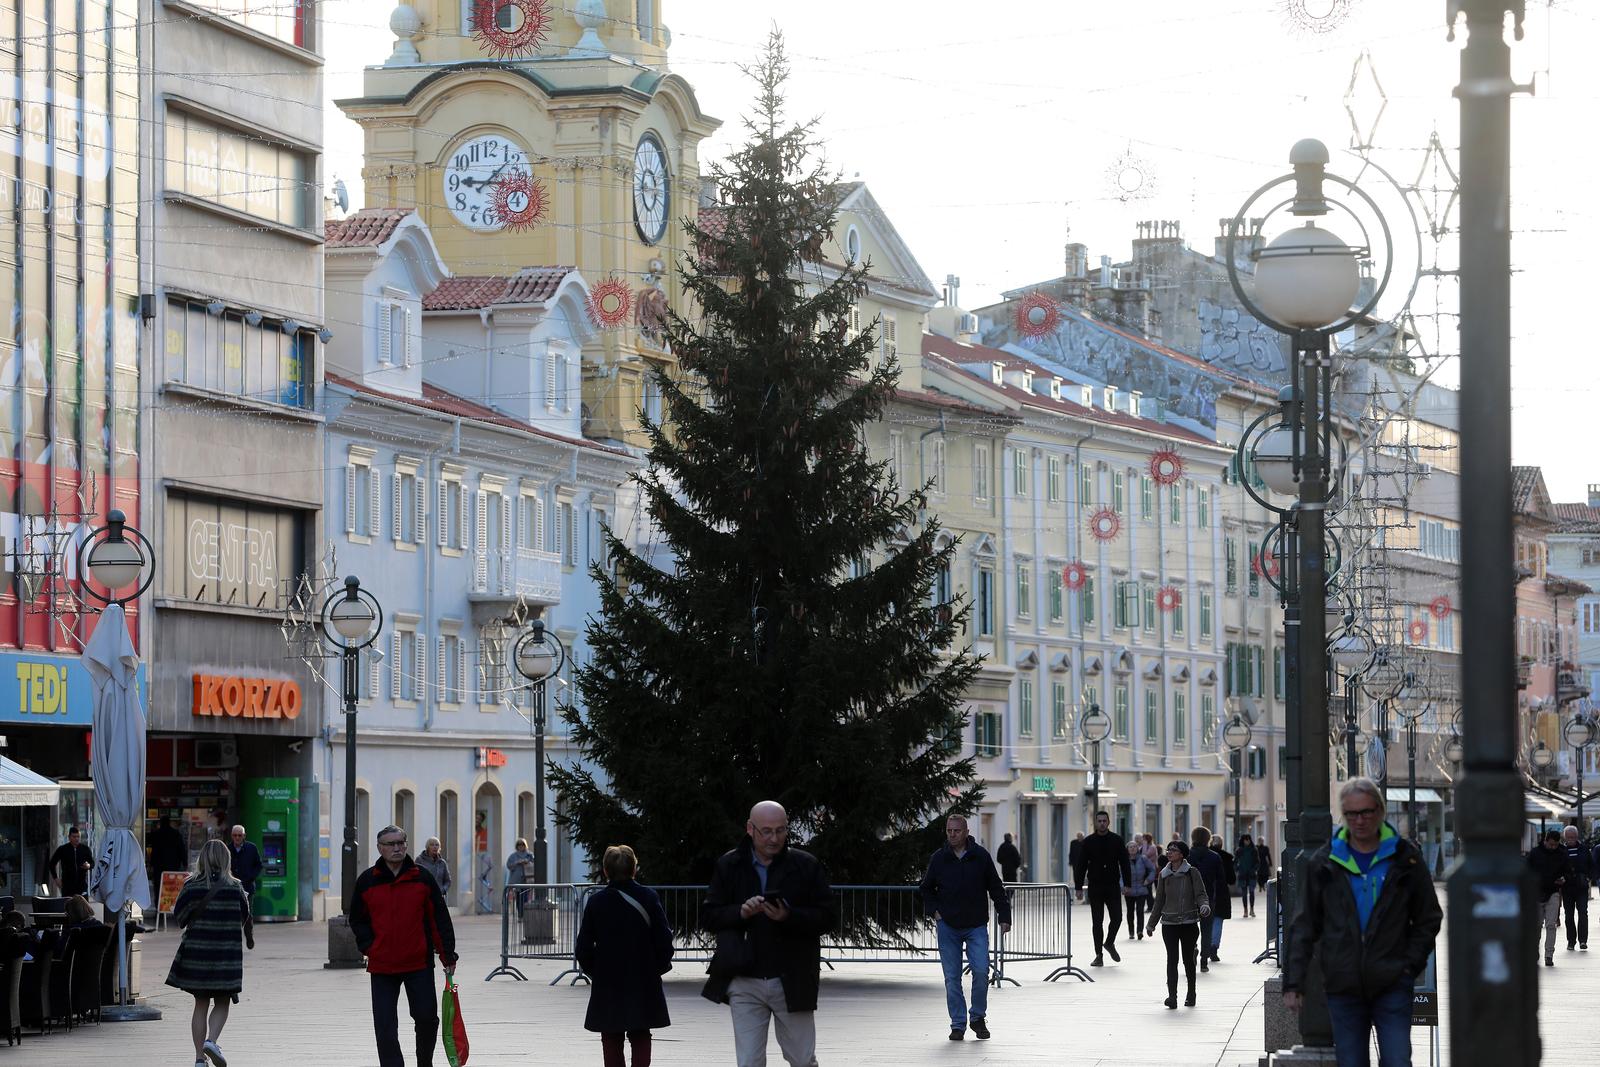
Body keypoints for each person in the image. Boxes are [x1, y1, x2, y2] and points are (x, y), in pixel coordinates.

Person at [1283, 778, 1442, 1067]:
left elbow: (1428, 916)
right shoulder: (1326, 862)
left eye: (1366, 812)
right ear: (1344, 815)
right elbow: (1304, 924)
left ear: (1380, 811)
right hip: (1343, 984)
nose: (1360, 820)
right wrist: (1293, 982)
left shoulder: (1405, 859)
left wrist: (1409, 965)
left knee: (1397, 1061)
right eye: (1352, 814)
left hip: (1392, 981)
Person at [702, 800, 835, 1067]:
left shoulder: (805, 865)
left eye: (780, 830)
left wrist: (789, 916)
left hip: (792, 976)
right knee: (749, 1061)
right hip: (744, 977)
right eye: (766, 831)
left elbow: (829, 917)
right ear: (750, 829)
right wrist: (741, 912)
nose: (774, 838)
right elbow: (709, 916)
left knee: (802, 1059)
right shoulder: (730, 864)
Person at [351, 825, 458, 1067]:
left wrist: (448, 955)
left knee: (427, 1018)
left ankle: (424, 1063)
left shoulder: (422, 878)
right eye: (391, 844)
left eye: (401, 842)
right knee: (385, 1026)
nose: (397, 848)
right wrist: (370, 947)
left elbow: (439, 919)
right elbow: (357, 919)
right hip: (382, 965)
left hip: (418, 963)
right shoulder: (367, 881)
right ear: (380, 848)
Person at [576, 844, 673, 1067]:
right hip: (642, 977)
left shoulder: (596, 902)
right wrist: (654, 968)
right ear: (634, 869)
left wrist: (597, 971)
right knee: (641, 1034)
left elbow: (583, 948)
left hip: (608, 979)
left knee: (611, 1035)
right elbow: (664, 941)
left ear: (605, 871)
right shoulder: (649, 897)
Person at [918, 815, 1011, 1041]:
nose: (952, 835)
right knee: (952, 978)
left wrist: (1004, 915)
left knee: (981, 971)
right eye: (949, 831)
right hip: (948, 925)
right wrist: (935, 912)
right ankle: (957, 1024)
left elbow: (995, 887)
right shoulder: (939, 858)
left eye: (956, 831)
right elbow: (926, 888)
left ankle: (977, 1017)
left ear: (967, 832)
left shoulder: (980, 856)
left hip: (975, 924)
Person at [165, 838, 253, 1067]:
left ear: (202, 859)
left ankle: (199, 1059)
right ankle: (211, 1041)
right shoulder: (236, 888)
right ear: (226, 860)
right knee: (222, 1001)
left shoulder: (191, 886)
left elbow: (180, 918)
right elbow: (244, 917)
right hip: (226, 955)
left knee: (200, 1003)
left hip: (198, 955)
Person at [1146, 840, 1209, 1009]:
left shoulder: (1192, 872)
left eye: (1173, 850)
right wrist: (1151, 924)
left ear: (1182, 854)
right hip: (1169, 923)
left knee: (1188, 960)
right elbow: (1159, 900)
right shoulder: (1164, 874)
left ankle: (1191, 993)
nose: (1169, 852)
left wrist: (1204, 905)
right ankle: (1172, 997)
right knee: (1172, 960)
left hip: (1189, 923)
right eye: (1168, 850)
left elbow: (1201, 894)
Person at [1072, 810, 1132, 967]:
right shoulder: (1088, 841)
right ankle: (1098, 955)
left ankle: (1109, 942)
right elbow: (1081, 865)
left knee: (1117, 918)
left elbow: (1125, 863)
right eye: (1099, 821)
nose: (1102, 824)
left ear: (1109, 822)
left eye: (1104, 821)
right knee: (1097, 922)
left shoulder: (1117, 840)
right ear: (1095, 823)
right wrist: (1078, 887)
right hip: (1095, 886)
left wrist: (1127, 884)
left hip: (1112, 885)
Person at [1527, 827, 1571, 967]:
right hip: (1536, 892)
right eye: (1551, 844)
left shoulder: (1562, 854)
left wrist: (1564, 878)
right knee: (1536, 925)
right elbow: (1526, 871)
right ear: (1545, 841)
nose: (1553, 847)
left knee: (1551, 925)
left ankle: (1549, 955)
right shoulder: (1535, 853)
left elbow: (1568, 871)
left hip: (1553, 892)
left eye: (1555, 845)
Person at [1187, 827, 1224, 970]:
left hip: (1190, 898)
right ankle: (1204, 959)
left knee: (1190, 928)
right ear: (1208, 839)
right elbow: (1221, 880)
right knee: (1207, 929)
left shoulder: (1187, 856)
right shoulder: (1215, 857)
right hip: (1208, 897)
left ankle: (1193, 948)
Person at [1560, 824, 1594, 951]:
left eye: (1573, 837)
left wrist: (1589, 877)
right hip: (1567, 887)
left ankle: (1583, 940)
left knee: (1583, 913)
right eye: (1569, 837)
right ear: (1565, 837)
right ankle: (1571, 941)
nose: (1571, 839)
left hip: (1581, 886)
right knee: (1569, 915)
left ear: (1577, 836)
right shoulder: (1561, 850)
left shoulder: (1584, 849)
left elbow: (1591, 865)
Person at [1207, 834, 1236, 961]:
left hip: (1204, 891)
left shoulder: (1203, 856)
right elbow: (1231, 879)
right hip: (1221, 893)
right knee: (1217, 920)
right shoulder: (1226, 857)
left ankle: (1203, 946)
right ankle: (1213, 947)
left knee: (1204, 922)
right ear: (1221, 844)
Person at [48, 826, 93, 897]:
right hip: (67, 887)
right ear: (69, 837)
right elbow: (51, 864)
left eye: (78, 836)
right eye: (74, 837)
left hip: (81, 886)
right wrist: (56, 879)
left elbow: (92, 863)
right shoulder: (62, 849)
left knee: (82, 904)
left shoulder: (85, 849)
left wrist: (88, 866)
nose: (76, 839)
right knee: (68, 903)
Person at [1126, 842, 1156, 938]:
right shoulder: (1124, 860)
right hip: (1129, 890)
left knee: (1140, 911)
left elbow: (1152, 869)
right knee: (1130, 912)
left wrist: (1148, 880)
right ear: (1127, 849)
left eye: (1134, 847)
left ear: (1137, 848)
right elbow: (1120, 874)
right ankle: (1131, 932)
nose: (1132, 848)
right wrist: (1123, 887)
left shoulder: (1143, 859)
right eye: (1130, 847)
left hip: (1141, 889)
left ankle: (1139, 931)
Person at [227, 826, 263, 899]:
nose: (237, 838)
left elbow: (259, 865)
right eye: (235, 835)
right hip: (231, 888)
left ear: (244, 836)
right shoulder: (227, 849)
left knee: (247, 906)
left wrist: (251, 877)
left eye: (240, 835)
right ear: (231, 836)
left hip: (248, 888)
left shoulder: (252, 848)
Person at [507, 838, 536, 909]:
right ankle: (520, 913)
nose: (521, 846)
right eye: (519, 845)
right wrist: (517, 862)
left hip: (527, 880)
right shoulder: (513, 856)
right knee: (518, 899)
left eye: (523, 845)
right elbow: (509, 865)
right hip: (517, 881)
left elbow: (535, 864)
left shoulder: (530, 855)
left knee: (526, 899)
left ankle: (525, 913)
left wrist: (527, 862)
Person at [1236, 835, 1259, 918]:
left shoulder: (1254, 850)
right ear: (1243, 841)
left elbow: (1257, 862)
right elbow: (1235, 861)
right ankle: (1245, 910)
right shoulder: (1239, 850)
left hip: (1251, 874)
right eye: (1246, 840)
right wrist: (1237, 869)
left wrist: (1254, 869)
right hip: (1242, 874)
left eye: (1248, 840)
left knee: (1252, 892)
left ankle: (1252, 909)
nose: (1247, 841)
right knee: (1244, 893)